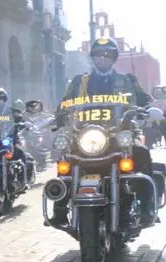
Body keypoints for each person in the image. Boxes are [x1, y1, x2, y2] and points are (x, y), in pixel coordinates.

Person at [51, 37, 158, 223]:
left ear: (114, 58)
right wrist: (58, 116)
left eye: (107, 54)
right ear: (93, 57)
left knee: (141, 152)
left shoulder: (127, 80)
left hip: (119, 132)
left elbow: (144, 99)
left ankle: (147, 207)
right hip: (84, 133)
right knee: (65, 158)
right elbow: (65, 103)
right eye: (98, 54)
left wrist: (148, 109)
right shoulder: (79, 82)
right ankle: (59, 209)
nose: (102, 58)